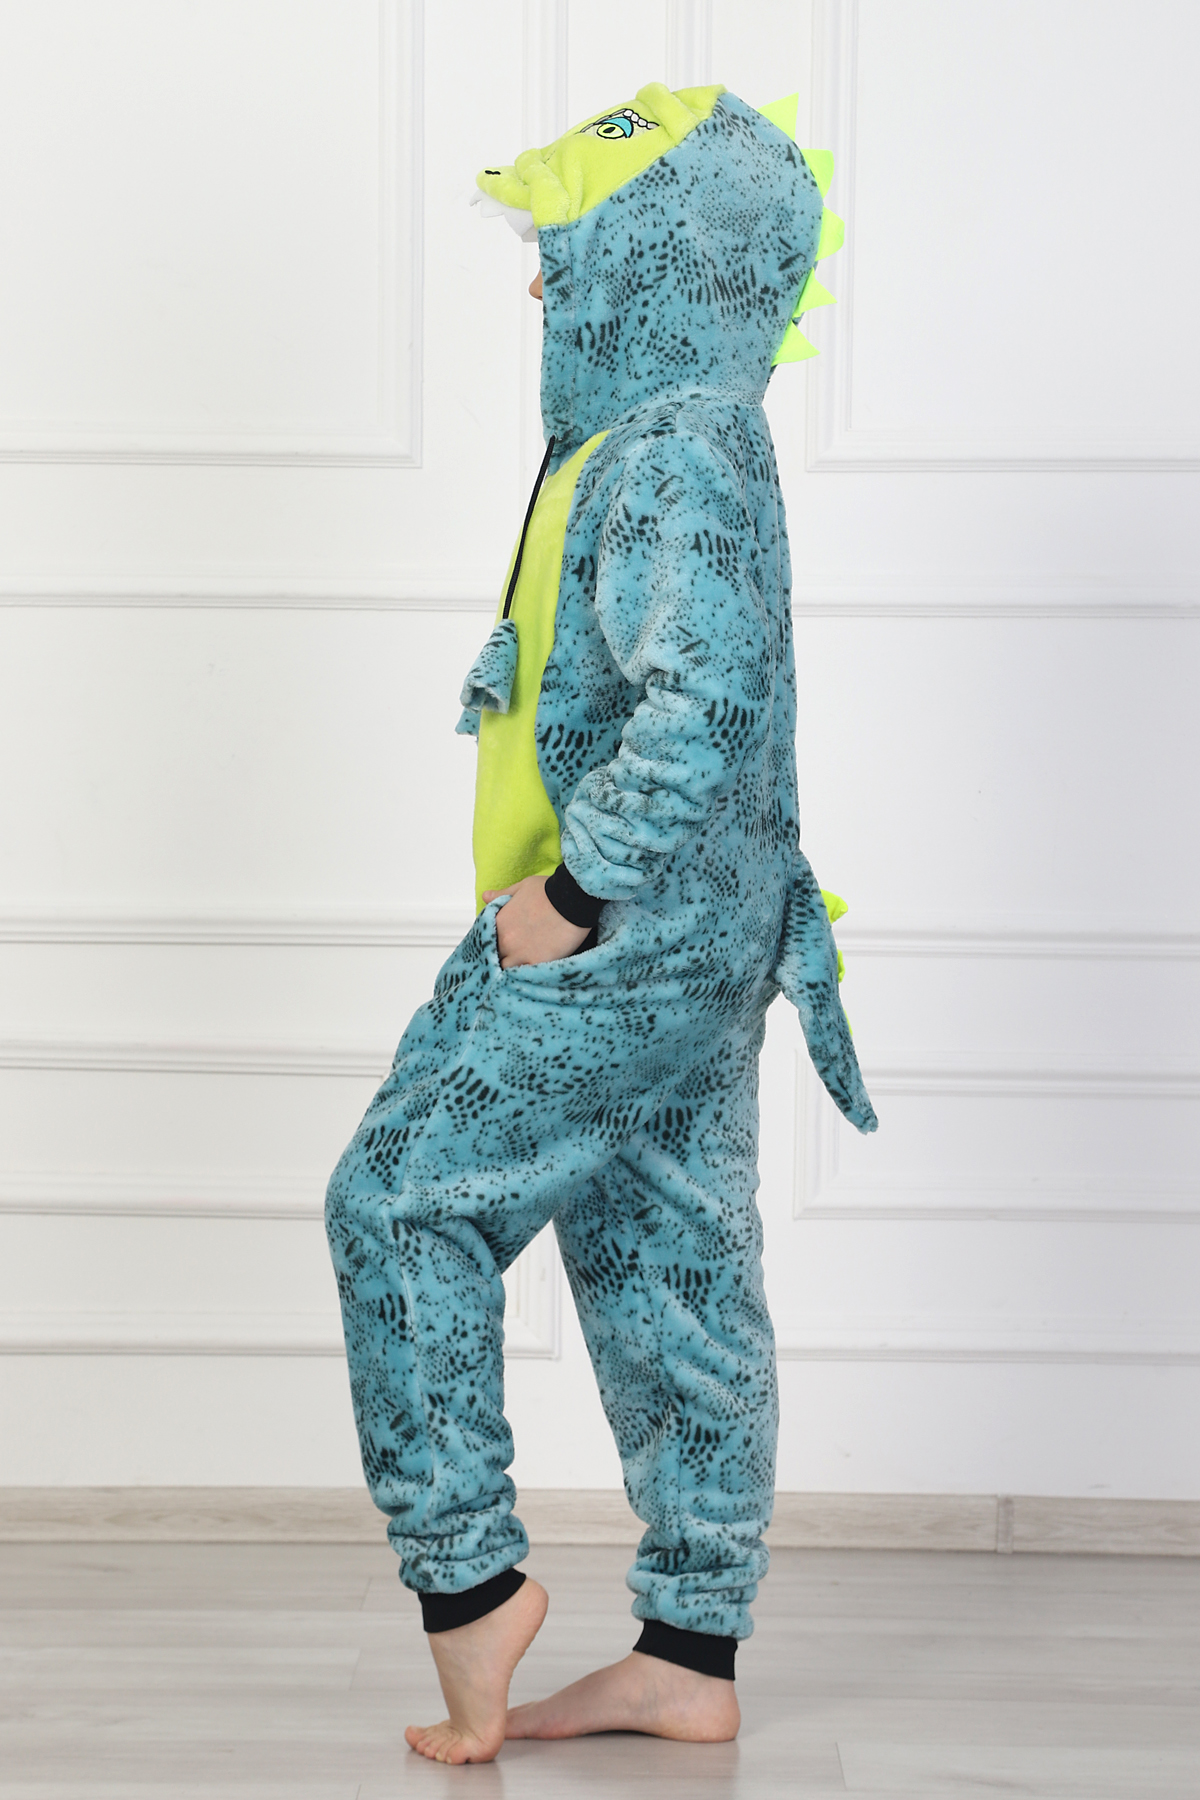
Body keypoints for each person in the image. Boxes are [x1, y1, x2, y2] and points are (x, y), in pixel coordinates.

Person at [324, 80, 876, 1766]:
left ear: (665, 261)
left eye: (571, 253)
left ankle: (470, 1587)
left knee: (398, 1200)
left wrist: (572, 898)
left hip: (626, 937)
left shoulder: (674, 447)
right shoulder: (684, 436)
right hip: (708, 938)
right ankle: (690, 1653)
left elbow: (699, 703)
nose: (540, 285)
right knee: (668, 1264)